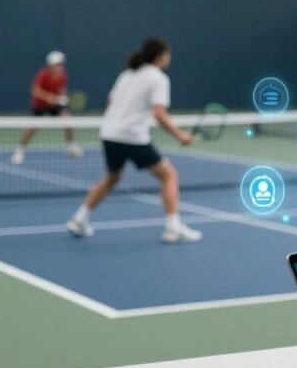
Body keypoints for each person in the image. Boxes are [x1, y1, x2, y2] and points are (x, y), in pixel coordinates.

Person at [66, 38, 202, 243]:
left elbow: (111, 101)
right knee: (168, 175)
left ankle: (79, 219)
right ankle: (173, 228)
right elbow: (159, 113)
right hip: (132, 136)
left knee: (111, 178)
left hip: (109, 133)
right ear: (161, 56)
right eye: (168, 54)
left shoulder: (127, 74)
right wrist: (180, 134)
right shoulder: (158, 79)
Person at [11, 50, 83, 165]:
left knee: (68, 121)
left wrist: (63, 96)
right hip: (39, 105)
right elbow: (35, 90)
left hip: (54, 106)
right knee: (31, 128)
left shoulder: (63, 75)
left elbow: (62, 89)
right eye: (58, 64)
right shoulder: (43, 74)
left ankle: (71, 147)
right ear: (51, 65)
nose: (60, 66)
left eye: (61, 64)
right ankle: (19, 151)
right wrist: (49, 97)